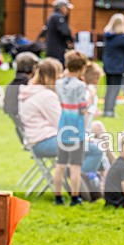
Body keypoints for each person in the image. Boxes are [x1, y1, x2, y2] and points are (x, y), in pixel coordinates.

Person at [18, 58, 104, 175]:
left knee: (93, 142)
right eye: (59, 76)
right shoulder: (45, 95)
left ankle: (96, 181)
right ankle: (77, 181)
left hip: (40, 139)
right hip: (45, 141)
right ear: (52, 77)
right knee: (95, 150)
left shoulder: (31, 91)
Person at [53, 51, 89, 206]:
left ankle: (58, 197)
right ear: (82, 68)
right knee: (75, 166)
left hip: (63, 126)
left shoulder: (59, 83)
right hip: (77, 129)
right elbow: (82, 107)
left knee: (60, 164)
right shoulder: (81, 86)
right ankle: (75, 197)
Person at [101, 13, 124, 118]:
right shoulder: (121, 38)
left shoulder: (108, 36)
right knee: (115, 89)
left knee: (109, 88)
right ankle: (110, 111)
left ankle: (107, 109)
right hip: (117, 67)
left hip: (108, 65)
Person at [4, 51, 40, 133]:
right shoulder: (30, 87)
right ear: (34, 68)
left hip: (21, 130)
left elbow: (7, 109)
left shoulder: (10, 86)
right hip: (36, 131)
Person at [45, 0, 74, 65]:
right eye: (67, 8)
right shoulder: (58, 17)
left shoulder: (52, 16)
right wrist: (70, 40)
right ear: (62, 7)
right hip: (58, 51)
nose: (68, 11)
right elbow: (65, 32)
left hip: (51, 49)